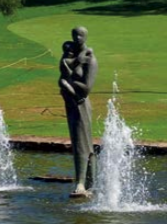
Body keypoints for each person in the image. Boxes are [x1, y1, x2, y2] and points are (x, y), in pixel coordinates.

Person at [58, 26, 98, 194]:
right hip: (71, 103)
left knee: (83, 142)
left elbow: (87, 88)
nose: (77, 38)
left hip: (81, 103)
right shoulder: (70, 56)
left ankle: (82, 183)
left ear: (86, 36)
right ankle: (90, 182)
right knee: (78, 141)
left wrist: (68, 83)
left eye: (80, 35)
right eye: (74, 34)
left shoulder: (90, 60)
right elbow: (62, 75)